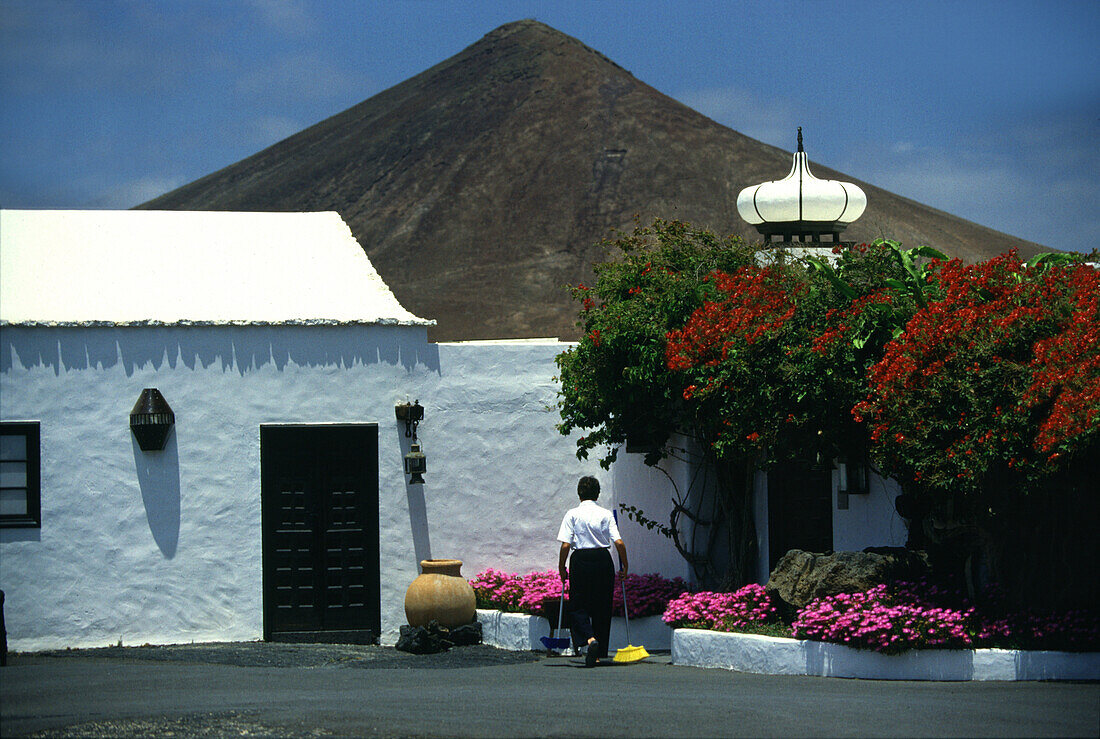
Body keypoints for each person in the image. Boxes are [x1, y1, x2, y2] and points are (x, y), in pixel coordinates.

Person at [556, 475, 628, 667]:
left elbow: (565, 545)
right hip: (603, 560)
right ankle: (598, 652)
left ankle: (589, 639)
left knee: (578, 604)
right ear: (597, 494)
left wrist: (561, 567)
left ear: (579, 494)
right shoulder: (605, 514)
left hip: (580, 560)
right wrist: (625, 566)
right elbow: (619, 543)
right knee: (602, 605)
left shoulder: (572, 514)